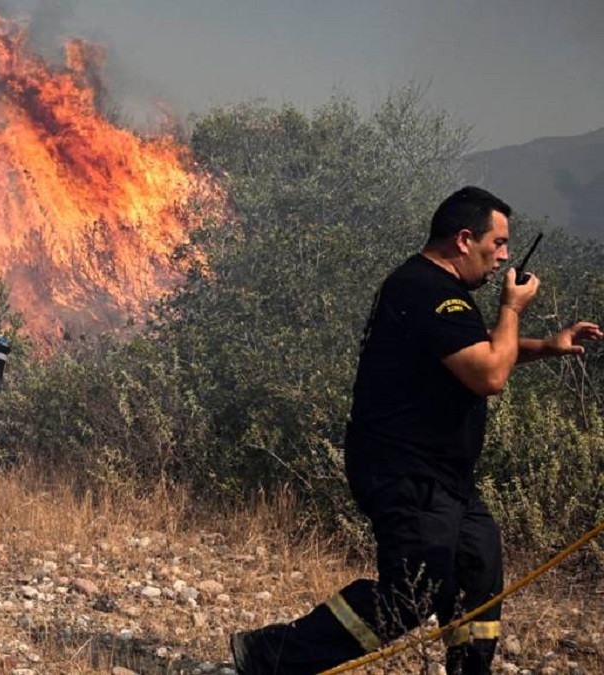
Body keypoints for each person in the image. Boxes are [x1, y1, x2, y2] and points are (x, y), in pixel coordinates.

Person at [230, 187, 603, 674]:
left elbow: (472, 350)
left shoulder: (436, 291)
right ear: (465, 239)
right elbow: (489, 373)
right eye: (500, 243)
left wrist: (546, 346)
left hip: (444, 476)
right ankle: (270, 654)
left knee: (477, 568)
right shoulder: (424, 290)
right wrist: (512, 309)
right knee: (413, 592)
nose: (505, 258)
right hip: (405, 471)